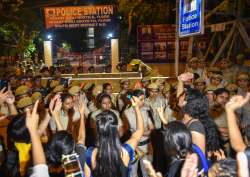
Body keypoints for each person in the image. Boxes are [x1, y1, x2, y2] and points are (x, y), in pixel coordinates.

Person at [84, 96, 144, 177]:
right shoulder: (125, 151)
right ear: (116, 127)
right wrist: (136, 107)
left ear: (98, 129)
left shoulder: (90, 153)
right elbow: (140, 129)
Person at [124, 89, 154, 177]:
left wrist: (150, 144)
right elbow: (127, 134)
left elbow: (151, 127)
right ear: (134, 99)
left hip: (147, 146)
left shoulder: (146, 110)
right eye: (141, 99)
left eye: (144, 99)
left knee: (146, 173)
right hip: (134, 147)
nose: (143, 101)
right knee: (133, 173)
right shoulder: (126, 113)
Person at [209, 88, 230, 155]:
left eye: (226, 98)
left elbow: (237, 127)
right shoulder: (208, 110)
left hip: (228, 144)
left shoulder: (229, 109)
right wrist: (219, 129)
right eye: (221, 97)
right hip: (214, 145)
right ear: (215, 96)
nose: (224, 100)